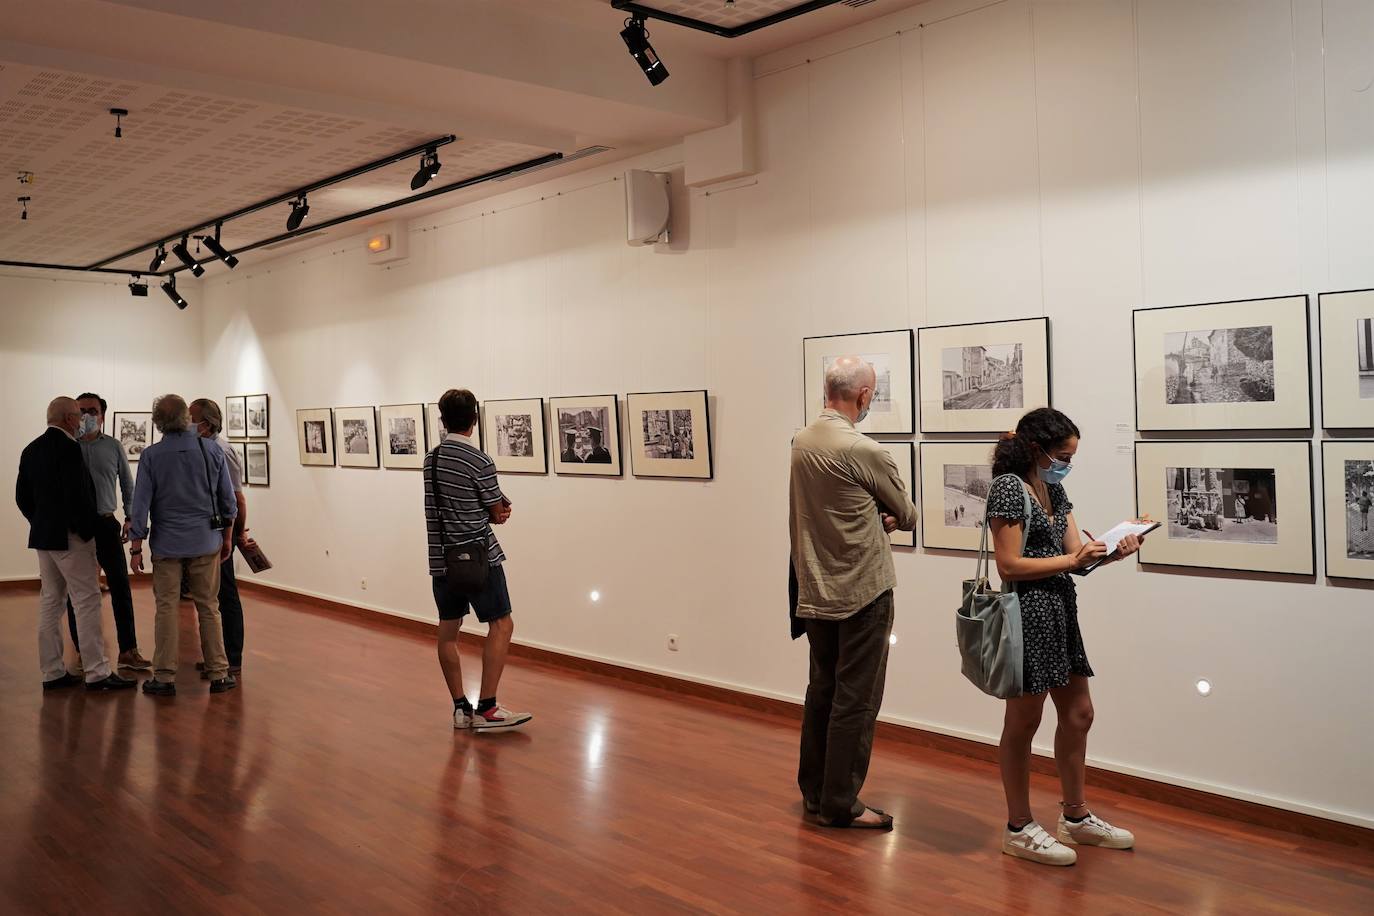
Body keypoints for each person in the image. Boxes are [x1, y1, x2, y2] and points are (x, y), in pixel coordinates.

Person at [986, 408, 1143, 866]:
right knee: (1023, 723)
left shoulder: (1054, 486)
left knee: (1079, 713)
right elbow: (1009, 565)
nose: (1066, 464)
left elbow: (1077, 554)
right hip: (1028, 614)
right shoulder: (1009, 488)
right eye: (1062, 455)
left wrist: (1111, 552)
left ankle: (1074, 817)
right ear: (1036, 449)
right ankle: (1018, 826)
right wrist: (1073, 563)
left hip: (1060, 610)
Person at [789, 357, 918, 830]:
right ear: (864, 396)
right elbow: (906, 513)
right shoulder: (865, 450)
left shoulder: (801, 441)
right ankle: (841, 802)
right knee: (857, 699)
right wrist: (890, 515)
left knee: (821, 691)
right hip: (862, 588)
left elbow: (836, 504)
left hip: (815, 587)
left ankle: (815, 793)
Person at [425, 388, 532, 731]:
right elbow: (496, 510)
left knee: (448, 632)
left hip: (442, 560)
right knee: (502, 624)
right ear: (474, 418)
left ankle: (460, 708)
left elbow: (449, 505)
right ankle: (487, 707)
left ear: (443, 419)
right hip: (478, 557)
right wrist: (498, 513)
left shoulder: (432, 459)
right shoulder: (480, 461)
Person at [15, 397, 134, 691]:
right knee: (87, 600)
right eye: (78, 415)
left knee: (50, 601)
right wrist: (86, 532)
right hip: (72, 538)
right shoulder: (70, 449)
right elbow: (79, 497)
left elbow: (22, 497)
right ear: (69, 419)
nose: (82, 420)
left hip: (45, 538)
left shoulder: (31, 449)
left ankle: (52, 671)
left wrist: (41, 522)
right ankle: (97, 671)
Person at [128, 395, 238, 697]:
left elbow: (141, 505)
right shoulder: (211, 450)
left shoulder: (151, 456)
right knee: (209, 607)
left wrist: (136, 546)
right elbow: (229, 503)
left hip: (167, 544)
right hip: (206, 539)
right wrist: (228, 538)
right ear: (186, 419)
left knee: (166, 608)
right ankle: (219, 672)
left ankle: (164, 676)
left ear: (158, 422)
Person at [62, 392, 151, 671]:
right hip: (75, 526)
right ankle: (83, 651)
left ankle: (128, 650)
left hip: (105, 522)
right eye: (82, 410)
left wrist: (131, 518)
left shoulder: (112, 446)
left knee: (121, 587)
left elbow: (128, 484)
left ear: (102, 415)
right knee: (78, 591)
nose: (88, 415)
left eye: (93, 410)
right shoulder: (66, 446)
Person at [190, 398, 257, 677]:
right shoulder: (205, 447)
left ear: (206, 423)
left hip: (221, 533)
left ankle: (231, 658)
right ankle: (217, 656)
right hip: (211, 531)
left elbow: (237, 498)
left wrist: (238, 533)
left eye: (191, 418)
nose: (187, 423)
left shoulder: (221, 449)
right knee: (211, 596)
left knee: (225, 595)